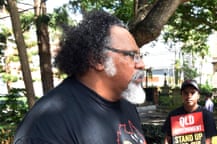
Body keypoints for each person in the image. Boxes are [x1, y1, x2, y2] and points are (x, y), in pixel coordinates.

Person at [13, 10, 147, 144]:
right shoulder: (48, 125)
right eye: (131, 55)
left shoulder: (126, 104)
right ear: (97, 59)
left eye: (140, 56)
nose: (141, 64)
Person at [162, 80, 217, 144]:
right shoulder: (173, 115)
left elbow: (208, 141)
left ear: (198, 96)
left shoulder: (207, 116)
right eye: (186, 93)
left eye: (192, 92)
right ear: (181, 95)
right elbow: (167, 139)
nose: (189, 96)